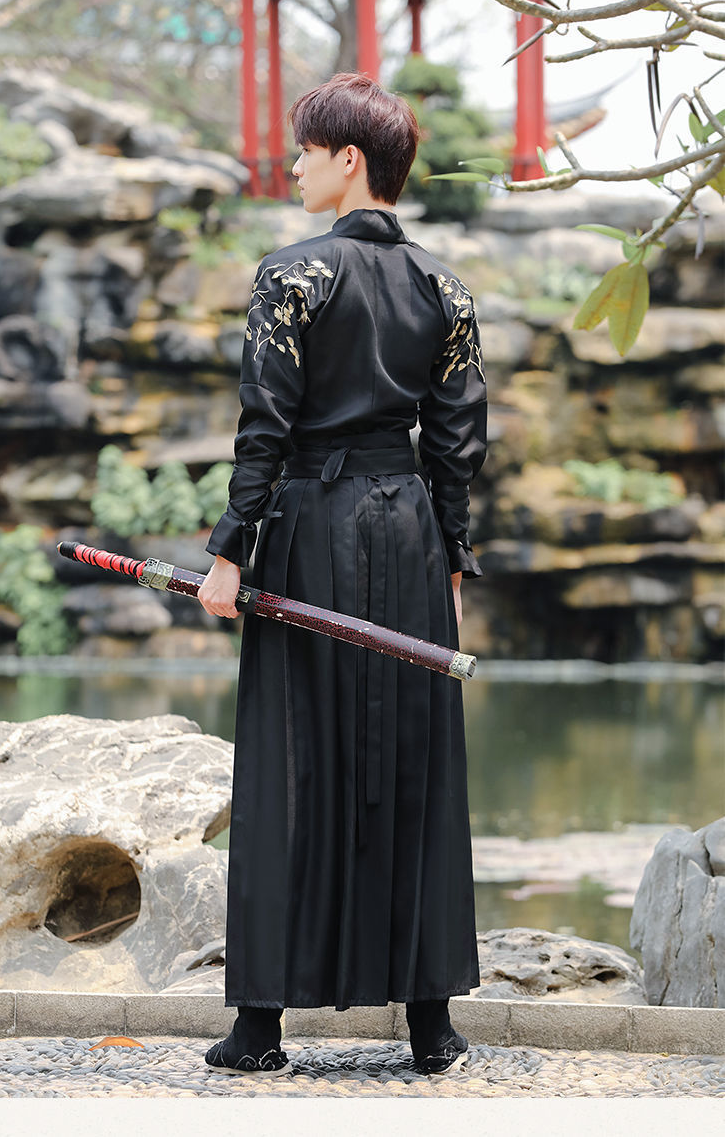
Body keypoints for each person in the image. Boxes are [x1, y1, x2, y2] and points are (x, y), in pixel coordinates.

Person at [197, 72, 487, 1078]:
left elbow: (265, 424)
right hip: (408, 532)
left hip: (312, 529)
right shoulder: (446, 289)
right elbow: (457, 444)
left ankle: (258, 1031)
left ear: (349, 160)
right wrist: (453, 558)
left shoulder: (292, 276)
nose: (295, 166)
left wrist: (229, 550)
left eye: (308, 150)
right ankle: (431, 1026)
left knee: (289, 761)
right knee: (415, 760)